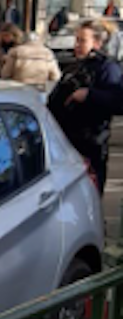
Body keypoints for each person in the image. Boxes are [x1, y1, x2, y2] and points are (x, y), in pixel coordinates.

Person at [47, 19, 123, 192]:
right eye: (77, 40)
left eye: (82, 40)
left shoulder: (108, 68)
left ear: (96, 43)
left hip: (90, 146)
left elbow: (118, 101)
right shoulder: (75, 66)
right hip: (65, 144)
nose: (77, 45)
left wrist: (89, 95)